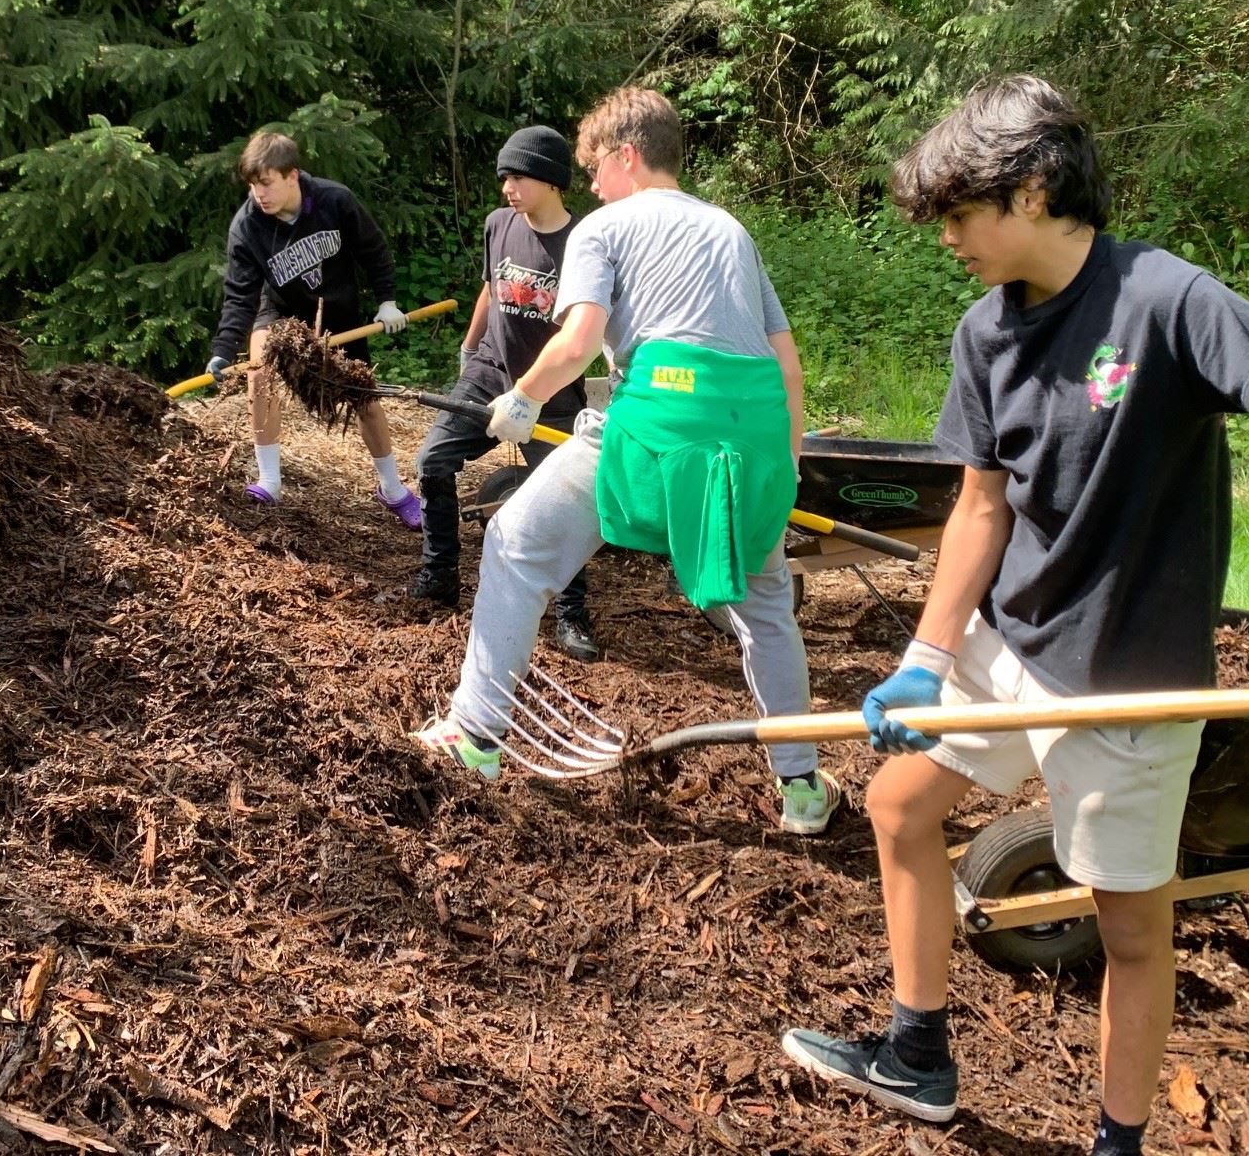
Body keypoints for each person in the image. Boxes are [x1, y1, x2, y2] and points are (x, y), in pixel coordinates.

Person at [779, 76, 1249, 1151]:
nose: (946, 237)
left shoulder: (1168, 301)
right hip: (1011, 639)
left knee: (1131, 927)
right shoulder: (982, 332)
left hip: (1135, 674)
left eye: (961, 214)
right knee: (902, 807)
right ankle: (917, 1057)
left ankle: (1118, 1141)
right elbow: (981, 506)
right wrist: (926, 652)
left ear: (1036, 189)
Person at [409, 86, 841, 837]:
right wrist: (788, 465)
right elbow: (787, 364)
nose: (592, 185)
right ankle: (802, 788)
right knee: (767, 610)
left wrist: (521, 398)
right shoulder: (730, 229)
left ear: (626, 157)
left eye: (595, 168)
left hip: (654, 424)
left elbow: (578, 343)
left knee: (515, 545)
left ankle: (474, 737)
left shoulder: (605, 227)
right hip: (752, 438)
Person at [407, 126, 600, 663]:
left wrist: (535, 391)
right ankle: (441, 571)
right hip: (490, 372)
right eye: (504, 178)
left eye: (517, 177)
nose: (507, 189)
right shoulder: (499, 225)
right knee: (432, 462)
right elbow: (492, 289)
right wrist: (470, 350)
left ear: (552, 180)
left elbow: (584, 328)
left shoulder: (584, 242)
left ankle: (571, 612)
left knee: (567, 502)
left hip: (553, 392)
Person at [205, 131, 421, 527]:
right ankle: (269, 480)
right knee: (260, 374)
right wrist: (223, 348)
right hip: (282, 314)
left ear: (292, 175)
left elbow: (373, 251)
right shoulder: (248, 226)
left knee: (366, 400)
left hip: (338, 311)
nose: (259, 194)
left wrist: (387, 300)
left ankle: (392, 489)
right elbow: (241, 295)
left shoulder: (334, 201)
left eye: (266, 183)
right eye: (253, 185)